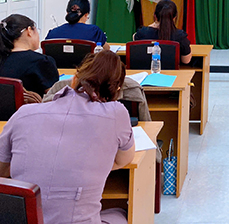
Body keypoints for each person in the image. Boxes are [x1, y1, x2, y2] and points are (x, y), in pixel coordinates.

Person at [0, 50, 135, 224]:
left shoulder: (24, 113)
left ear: (75, 77)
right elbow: (124, 159)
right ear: (117, 89)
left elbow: (2, 170)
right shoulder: (116, 113)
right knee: (122, 214)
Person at [0, 14, 59, 96]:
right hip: (32, 108)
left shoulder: (2, 58)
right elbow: (55, 98)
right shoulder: (42, 62)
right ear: (29, 31)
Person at [134, 0, 192, 64]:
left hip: (147, 72)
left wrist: (152, 25)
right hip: (172, 73)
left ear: (155, 15)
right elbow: (186, 61)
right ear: (174, 17)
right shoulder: (180, 36)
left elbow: (134, 40)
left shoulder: (142, 33)